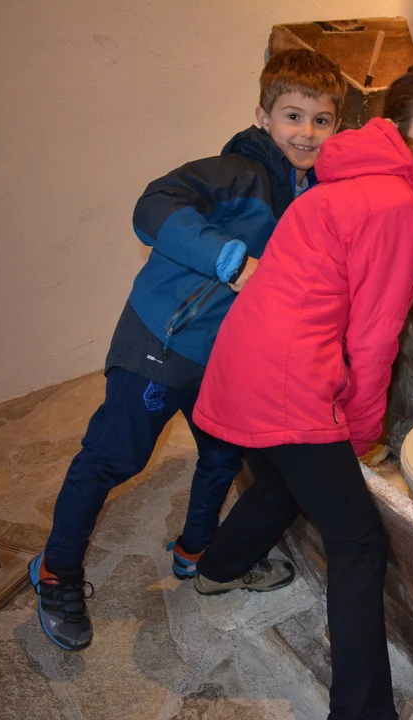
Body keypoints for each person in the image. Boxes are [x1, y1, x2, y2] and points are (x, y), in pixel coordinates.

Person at [27, 48, 347, 652]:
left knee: (222, 458)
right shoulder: (237, 172)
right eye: (293, 116)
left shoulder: (310, 192)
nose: (307, 132)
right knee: (113, 458)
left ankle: (195, 551)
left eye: (321, 119)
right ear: (263, 117)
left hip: (226, 358)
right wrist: (230, 260)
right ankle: (55, 570)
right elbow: (153, 205)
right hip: (162, 340)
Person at [189, 69, 413, 720]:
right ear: (399, 129)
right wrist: (360, 432)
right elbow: (374, 340)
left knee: (280, 482)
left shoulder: (344, 181)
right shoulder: (399, 208)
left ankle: (217, 569)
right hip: (286, 380)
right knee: (359, 541)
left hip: (243, 363)